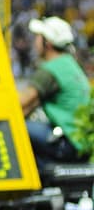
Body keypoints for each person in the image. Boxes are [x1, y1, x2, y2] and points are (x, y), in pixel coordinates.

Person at [17, 16, 91, 163]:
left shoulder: (52, 69)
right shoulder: (69, 64)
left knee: (12, 128)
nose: (35, 41)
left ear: (47, 43)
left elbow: (18, 105)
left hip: (67, 142)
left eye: (38, 36)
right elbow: (30, 105)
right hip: (80, 142)